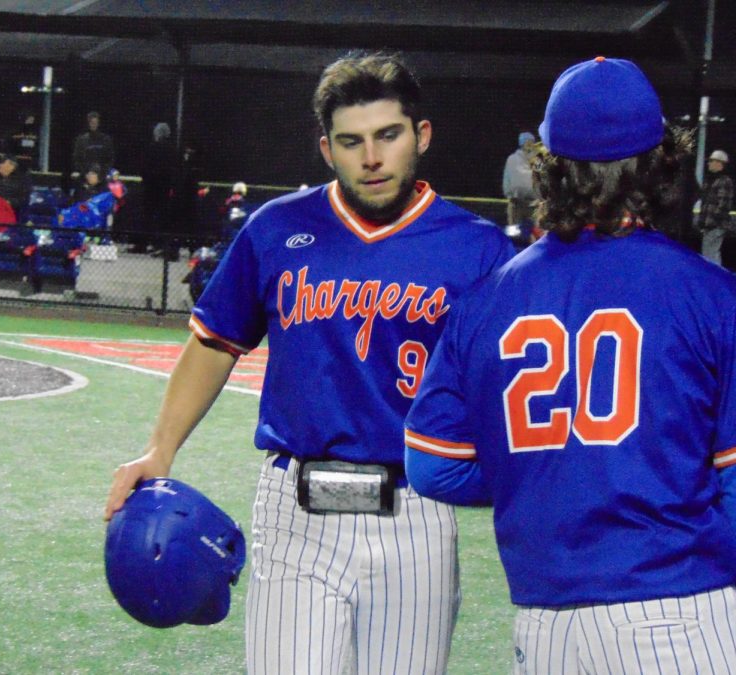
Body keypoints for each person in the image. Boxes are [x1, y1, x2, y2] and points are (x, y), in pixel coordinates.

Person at [104, 52, 515, 675]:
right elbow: (215, 343)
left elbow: (501, 390)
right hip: (295, 513)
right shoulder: (278, 229)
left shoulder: (478, 248)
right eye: (351, 142)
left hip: (417, 515)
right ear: (327, 149)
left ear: (421, 136)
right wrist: (159, 451)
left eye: (388, 136)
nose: (371, 157)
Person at [404, 56, 736, 674]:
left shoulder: (485, 301)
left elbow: (432, 466)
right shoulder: (720, 298)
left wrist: (554, 471)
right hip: (682, 614)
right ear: (661, 163)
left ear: (547, 166)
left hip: (547, 628)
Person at [137, 122, 175, 253]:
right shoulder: (171, 149)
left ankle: (143, 244)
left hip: (151, 187)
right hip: (164, 188)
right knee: (162, 217)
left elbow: (144, 167)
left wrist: (146, 180)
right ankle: (160, 244)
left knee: (147, 216)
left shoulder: (152, 148)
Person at [696, 148, 735, 264]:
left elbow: (722, 205)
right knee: (709, 254)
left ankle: (715, 279)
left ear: (719, 163)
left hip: (716, 225)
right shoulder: (710, 181)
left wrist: (712, 222)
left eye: (711, 161)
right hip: (710, 225)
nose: (708, 163)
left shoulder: (724, 181)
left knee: (711, 255)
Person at [502, 131, 537, 227]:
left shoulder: (536, 160)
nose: (529, 144)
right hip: (516, 203)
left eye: (531, 142)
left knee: (538, 233)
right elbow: (511, 181)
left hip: (534, 204)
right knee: (513, 232)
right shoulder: (512, 159)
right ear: (522, 143)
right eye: (527, 142)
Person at [0, 153, 31, 218]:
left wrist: (6, 202)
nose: (0, 165)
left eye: (3, 163)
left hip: (9, 211)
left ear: (12, 166)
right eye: (0, 163)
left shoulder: (21, 181)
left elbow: (23, 200)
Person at [71, 111, 114, 180]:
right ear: (88, 123)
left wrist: (103, 173)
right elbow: (77, 159)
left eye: (95, 122)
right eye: (91, 122)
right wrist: (86, 173)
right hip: (86, 177)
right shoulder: (81, 140)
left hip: (102, 177)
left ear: (98, 123)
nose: (94, 124)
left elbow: (110, 158)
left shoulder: (106, 139)